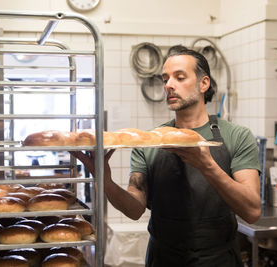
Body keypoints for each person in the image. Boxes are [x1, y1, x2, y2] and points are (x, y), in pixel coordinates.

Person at [70, 47, 261, 266]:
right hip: (163, 258)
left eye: (180, 77)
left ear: (203, 83)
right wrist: (104, 179)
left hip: (218, 258)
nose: (169, 85)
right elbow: (134, 209)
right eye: (165, 79)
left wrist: (208, 166)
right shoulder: (150, 141)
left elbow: (252, 210)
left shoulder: (236, 136)